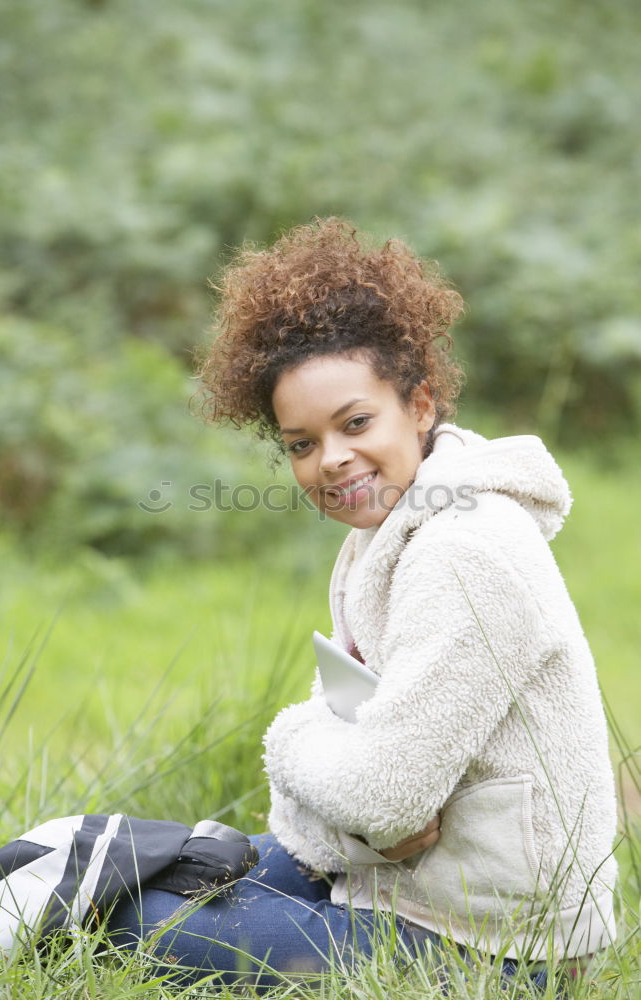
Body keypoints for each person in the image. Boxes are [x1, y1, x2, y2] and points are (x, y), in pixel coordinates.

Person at [108, 218, 618, 989]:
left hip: (501, 947)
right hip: (406, 885)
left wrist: (289, 739)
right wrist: (351, 799)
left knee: (131, 921)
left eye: (354, 423)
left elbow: (382, 794)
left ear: (418, 406)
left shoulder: (469, 548)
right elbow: (369, 791)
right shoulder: (384, 537)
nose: (331, 460)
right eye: (301, 443)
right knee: (153, 870)